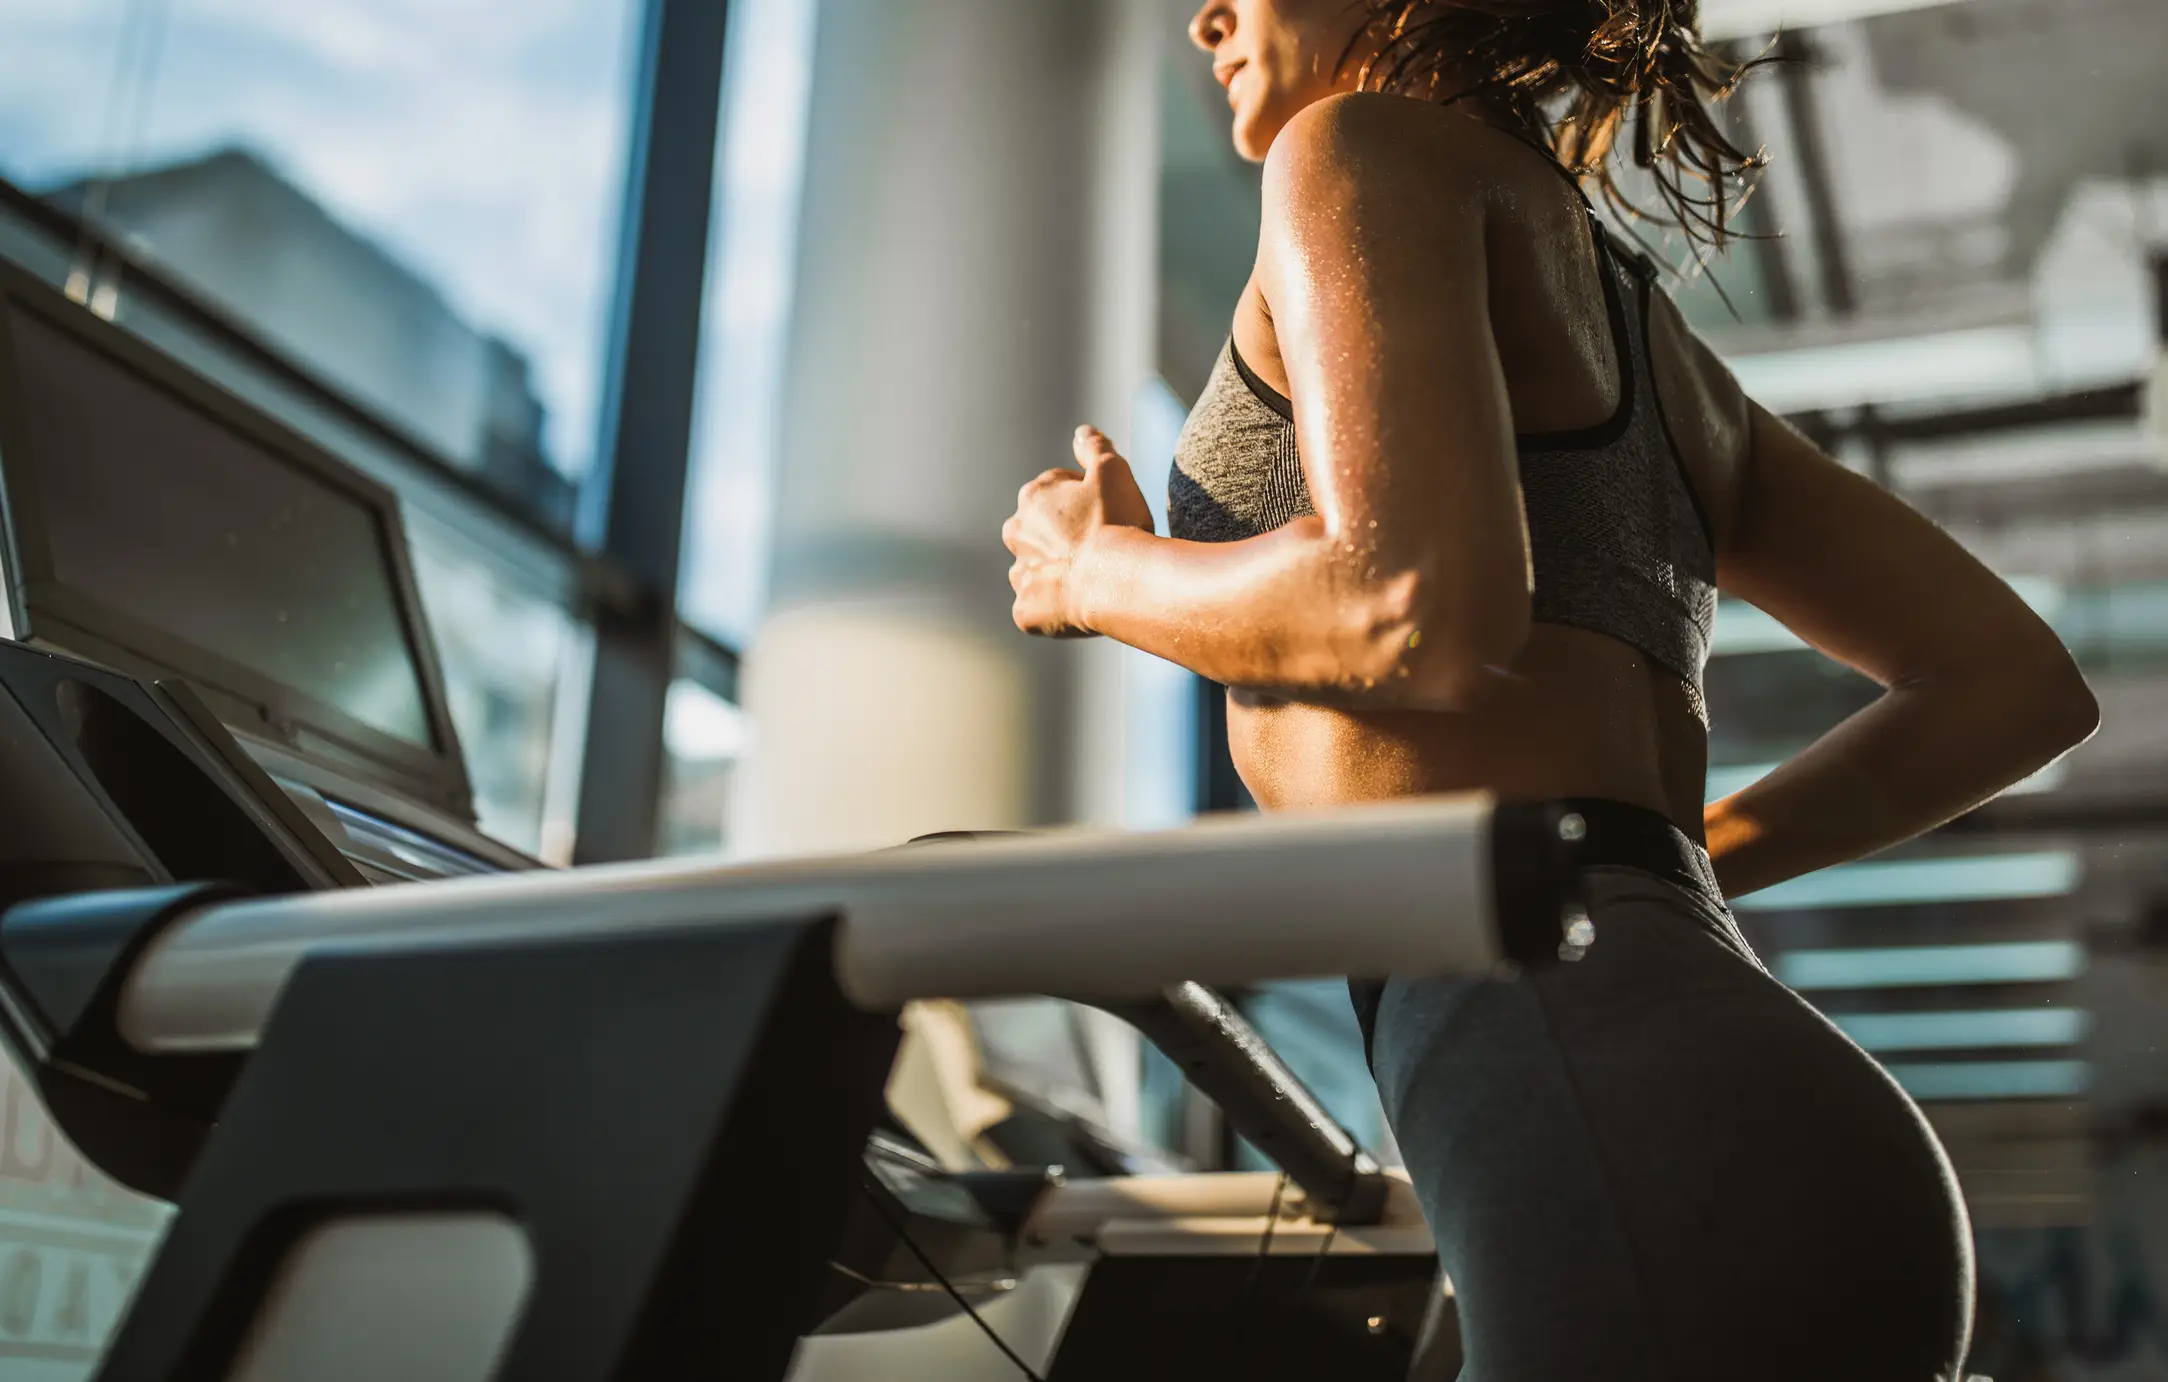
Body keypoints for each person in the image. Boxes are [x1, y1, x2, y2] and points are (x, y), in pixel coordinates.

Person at [1001, 1, 2101, 1377]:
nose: (1204, 12)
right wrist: (1662, 881)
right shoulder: (1660, 347)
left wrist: (1097, 571)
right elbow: (2009, 688)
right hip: (1757, 1114)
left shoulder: (1352, 150)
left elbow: (1410, 603)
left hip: (1615, 1118)